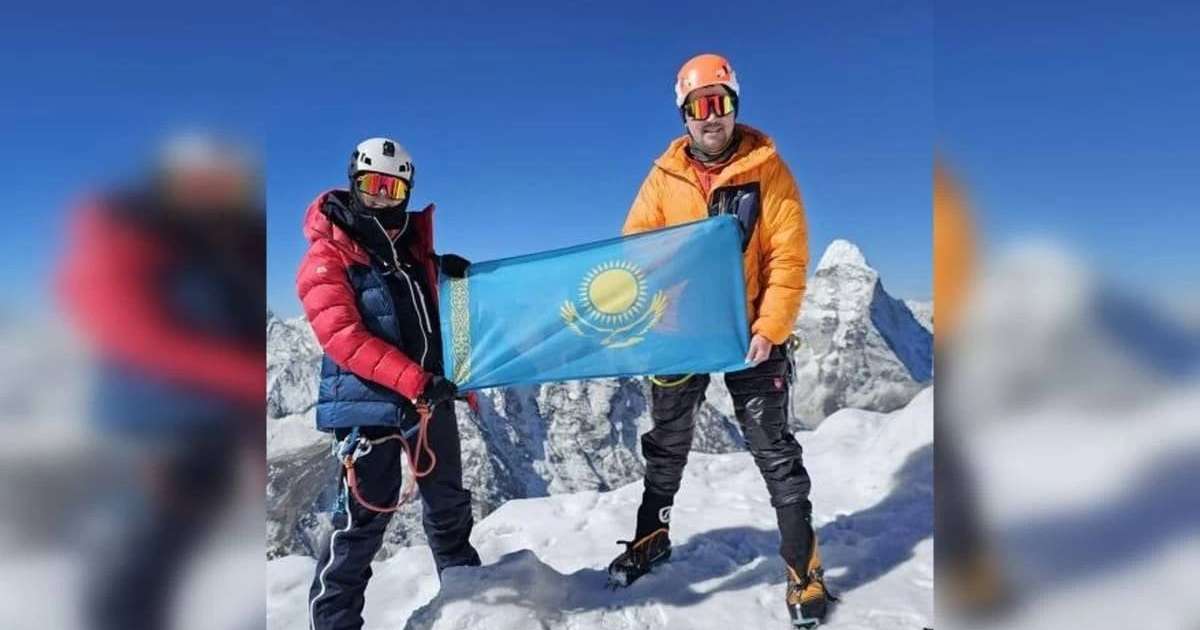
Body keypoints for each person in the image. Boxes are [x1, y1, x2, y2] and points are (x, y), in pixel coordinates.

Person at [611, 53, 830, 626]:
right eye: (699, 106)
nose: (711, 116)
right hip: (684, 331)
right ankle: (651, 536)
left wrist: (770, 329)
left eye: (721, 102)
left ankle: (804, 569)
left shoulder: (770, 171)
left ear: (735, 105)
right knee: (667, 441)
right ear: (684, 114)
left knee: (772, 448)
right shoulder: (664, 178)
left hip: (751, 332)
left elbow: (787, 258)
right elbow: (636, 249)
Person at [58, 133, 265, 630]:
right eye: (202, 184)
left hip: (206, 443)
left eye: (226, 185)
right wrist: (249, 378)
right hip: (148, 442)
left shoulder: (218, 251)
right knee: (132, 580)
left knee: (165, 566)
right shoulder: (128, 237)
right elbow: (141, 336)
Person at [296, 137, 479, 630]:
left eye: (392, 188)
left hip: (428, 399)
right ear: (353, 184)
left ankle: (472, 603)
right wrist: (418, 381)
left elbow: (427, 318)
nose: (381, 197)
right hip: (369, 406)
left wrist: (446, 276)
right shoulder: (328, 256)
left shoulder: (412, 250)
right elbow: (344, 338)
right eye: (371, 185)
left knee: (448, 506)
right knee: (361, 525)